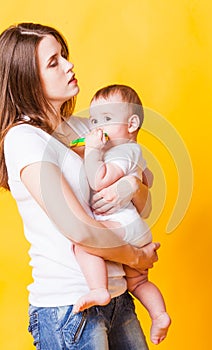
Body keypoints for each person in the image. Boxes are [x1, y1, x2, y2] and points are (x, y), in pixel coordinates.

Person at [0, 23, 160, 350]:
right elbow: (78, 229)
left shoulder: (85, 127)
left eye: (65, 55)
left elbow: (144, 200)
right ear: (27, 78)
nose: (69, 65)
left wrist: (130, 184)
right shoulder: (23, 139)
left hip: (118, 297)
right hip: (70, 307)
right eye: (54, 62)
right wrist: (136, 256)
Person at [72, 84, 171, 345]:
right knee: (138, 282)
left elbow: (99, 179)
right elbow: (147, 179)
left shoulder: (124, 151)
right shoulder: (133, 153)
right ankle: (159, 314)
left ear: (132, 124)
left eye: (106, 119)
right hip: (134, 226)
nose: (97, 128)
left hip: (124, 223)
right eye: (94, 120)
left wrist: (93, 151)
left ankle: (99, 290)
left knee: (85, 246)